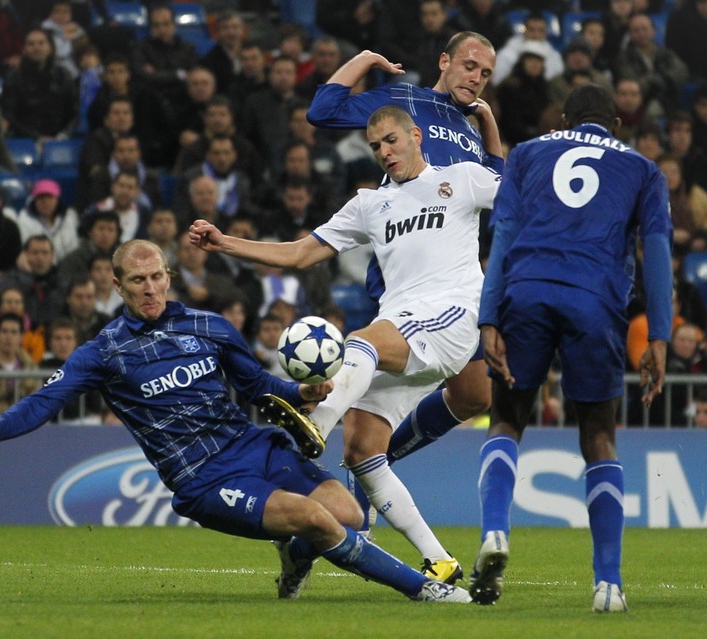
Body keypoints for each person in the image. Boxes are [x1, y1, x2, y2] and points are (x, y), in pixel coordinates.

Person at [0, 239, 472, 604]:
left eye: (157, 277)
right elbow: (49, 397)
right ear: (117, 285)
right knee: (316, 520)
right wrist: (1, 428)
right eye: (138, 281)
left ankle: (294, 557)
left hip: (254, 447)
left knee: (348, 514)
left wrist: (300, 392)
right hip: (204, 478)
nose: (150, 288)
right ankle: (424, 587)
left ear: (168, 276)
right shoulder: (105, 351)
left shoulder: (209, 325)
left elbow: (255, 386)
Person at [190, 104, 500, 584]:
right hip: (401, 327)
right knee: (361, 450)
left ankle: (315, 421)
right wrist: (225, 243)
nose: (385, 152)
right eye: (376, 147)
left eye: (392, 141)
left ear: (416, 135)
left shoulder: (460, 178)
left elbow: (519, 198)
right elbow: (298, 253)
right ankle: (439, 559)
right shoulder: (369, 205)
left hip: (453, 317)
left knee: (359, 341)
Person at [473, 84, 672, 611]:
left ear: (562, 119)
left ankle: (495, 530)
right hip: (595, 300)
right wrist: (659, 335)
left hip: (526, 289)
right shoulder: (643, 169)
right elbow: (656, 251)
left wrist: (488, 315)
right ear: (617, 124)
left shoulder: (528, 153)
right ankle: (608, 583)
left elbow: (504, 235)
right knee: (599, 436)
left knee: (507, 419)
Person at [306, 31, 502, 529]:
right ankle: (356, 459)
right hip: (406, 272)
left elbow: (500, 191)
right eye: (470, 65)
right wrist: (366, 58)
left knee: (476, 396)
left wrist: (490, 125)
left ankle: (378, 456)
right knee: (395, 391)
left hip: (456, 278)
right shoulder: (405, 100)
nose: (476, 77)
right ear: (445, 61)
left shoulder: (471, 128)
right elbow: (324, 110)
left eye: (485, 73)